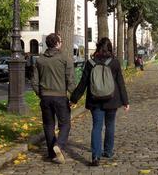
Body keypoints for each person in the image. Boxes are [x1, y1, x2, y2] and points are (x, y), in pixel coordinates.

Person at [70, 37, 129, 167]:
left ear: (97, 47)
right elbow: (120, 83)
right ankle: (108, 151)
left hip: (95, 100)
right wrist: (125, 101)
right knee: (110, 125)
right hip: (112, 100)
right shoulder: (114, 62)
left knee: (97, 126)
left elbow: (83, 83)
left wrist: (74, 99)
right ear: (110, 48)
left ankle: (95, 156)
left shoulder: (90, 63)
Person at [31, 33, 75, 164]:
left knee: (48, 125)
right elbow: (70, 80)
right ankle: (59, 145)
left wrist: (41, 93)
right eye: (60, 41)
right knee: (65, 124)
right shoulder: (65, 59)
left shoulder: (39, 60)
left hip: (45, 97)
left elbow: (34, 81)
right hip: (60, 97)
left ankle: (51, 153)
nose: (61, 43)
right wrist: (74, 96)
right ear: (57, 43)